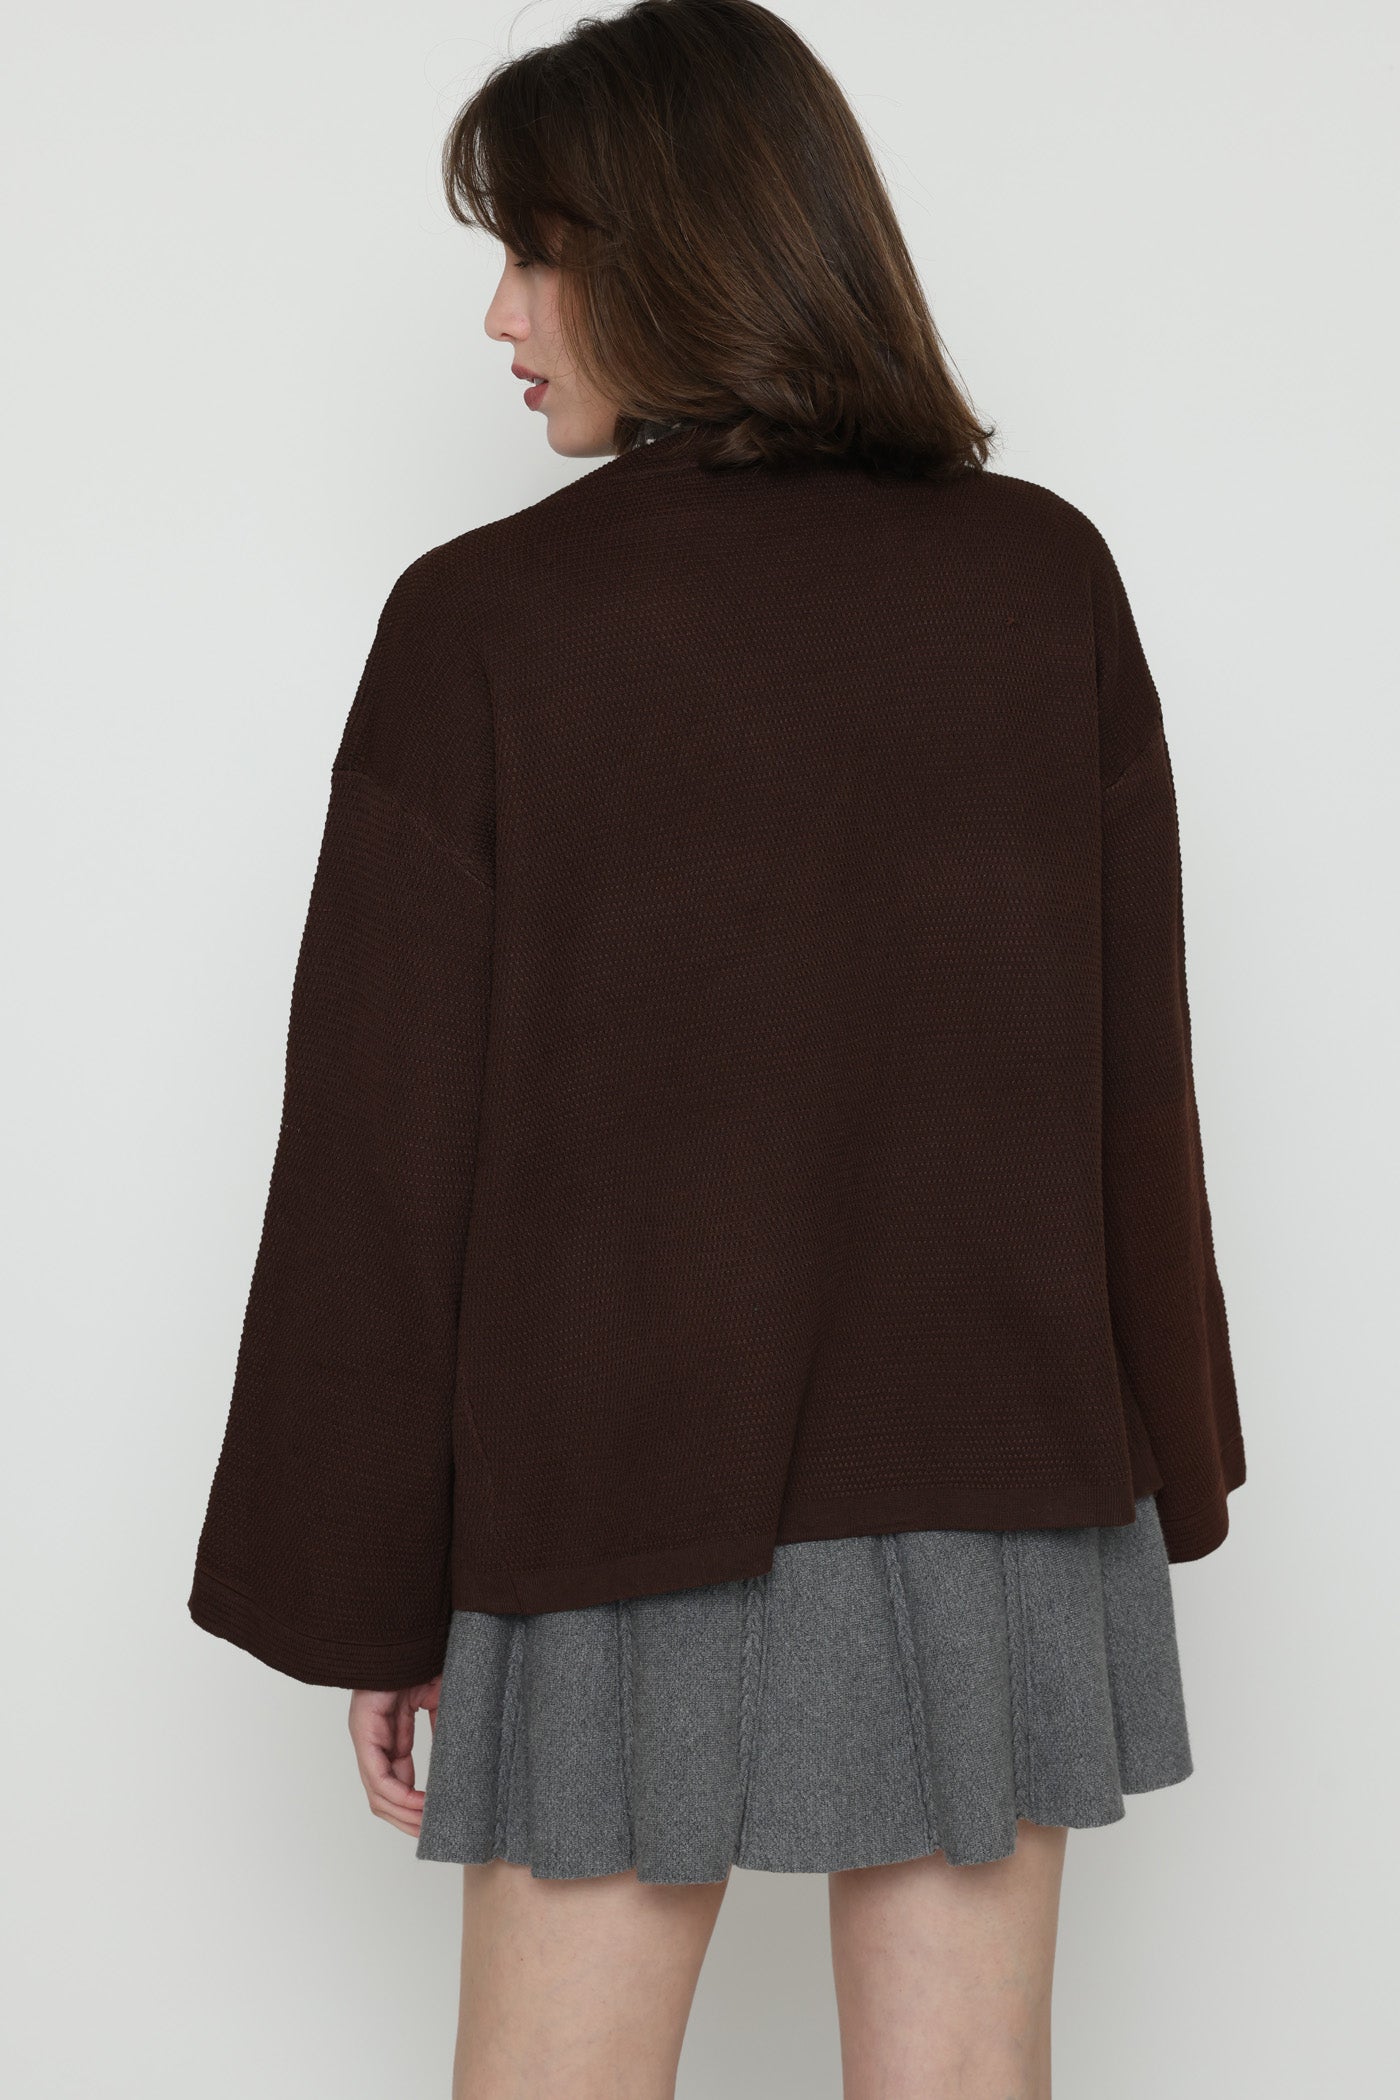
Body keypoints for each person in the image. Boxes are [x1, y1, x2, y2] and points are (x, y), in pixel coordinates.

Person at [187, 2, 1246, 2093]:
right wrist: (1164, 1462)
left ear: (673, 246)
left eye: (535, 250)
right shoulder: (1040, 580)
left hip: (613, 1490)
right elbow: (1134, 1079)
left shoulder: (488, 622)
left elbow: (383, 1160)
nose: (501, 315)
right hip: (995, 1476)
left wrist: (369, 1582)